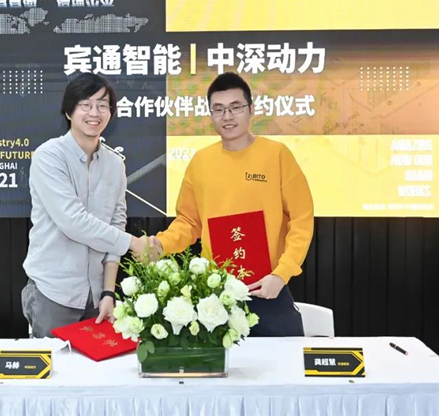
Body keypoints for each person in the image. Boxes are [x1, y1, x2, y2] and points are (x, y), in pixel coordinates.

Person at [151, 72, 314, 336]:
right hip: (214, 293)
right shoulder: (201, 162)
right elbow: (189, 221)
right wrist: (161, 244)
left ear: (251, 110)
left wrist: (282, 273)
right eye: (219, 109)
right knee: (216, 362)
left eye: (235, 107)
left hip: (268, 287)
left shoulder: (277, 155)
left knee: (283, 360)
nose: (227, 116)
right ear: (210, 115)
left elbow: (301, 220)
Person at [22, 73, 148, 338]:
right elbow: (73, 222)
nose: (95, 113)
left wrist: (108, 292)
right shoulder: (49, 156)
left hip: (96, 299)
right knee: (52, 364)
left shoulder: (115, 164)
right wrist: (134, 243)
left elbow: (115, 225)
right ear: (69, 111)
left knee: (99, 364)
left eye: (102, 105)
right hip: (53, 294)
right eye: (86, 104)